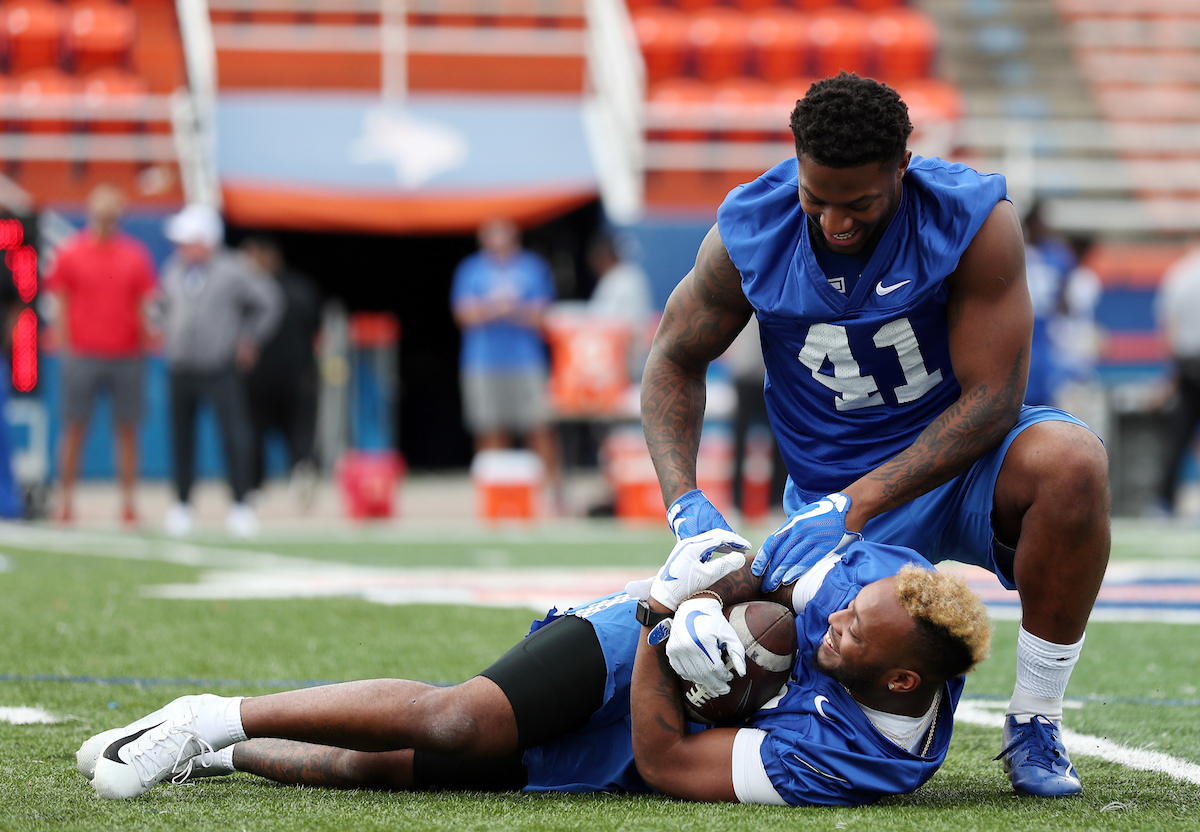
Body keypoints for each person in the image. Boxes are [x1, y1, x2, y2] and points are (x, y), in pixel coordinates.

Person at [640, 73, 1110, 798]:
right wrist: (684, 506)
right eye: (814, 199)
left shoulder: (970, 217)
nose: (833, 224)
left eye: (857, 203)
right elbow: (673, 359)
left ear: (902, 167)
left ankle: (1036, 719)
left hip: (960, 465)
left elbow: (992, 403)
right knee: (786, 657)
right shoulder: (751, 228)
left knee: (1073, 463)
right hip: (831, 491)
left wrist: (854, 504)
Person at [77, 530, 991, 806]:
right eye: (843, 610)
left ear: (903, 681)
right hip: (628, 636)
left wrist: (669, 655)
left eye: (852, 637)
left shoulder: (871, 761)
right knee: (455, 721)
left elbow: (672, 768)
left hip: (657, 728)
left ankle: (221, 753)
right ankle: (209, 716)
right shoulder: (869, 586)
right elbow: (754, 568)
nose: (832, 623)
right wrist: (678, 609)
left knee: (387, 773)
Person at [155, 204, 282, 538]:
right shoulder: (173, 270)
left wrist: (249, 340)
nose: (180, 246)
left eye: (188, 239)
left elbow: (269, 301)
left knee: (232, 436)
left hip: (218, 366)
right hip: (181, 366)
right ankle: (183, 504)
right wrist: (165, 331)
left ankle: (240, 504)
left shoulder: (233, 270)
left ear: (206, 240)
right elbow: (162, 308)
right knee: (181, 438)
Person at [45, 184, 157, 526]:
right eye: (101, 215)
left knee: (127, 431)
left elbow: (143, 305)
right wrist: (66, 345)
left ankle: (128, 504)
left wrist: (145, 341)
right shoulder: (71, 254)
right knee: (74, 429)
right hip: (83, 354)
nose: (107, 221)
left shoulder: (134, 255)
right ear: (91, 216)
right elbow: (60, 303)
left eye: (112, 215)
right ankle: (65, 503)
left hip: (126, 354)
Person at [451, 218, 561, 501]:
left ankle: (550, 495)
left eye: (504, 234)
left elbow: (542, 315)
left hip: (526, 362)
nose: (498, 240)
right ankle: (492, 495)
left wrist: (501, 309)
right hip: (482, 363)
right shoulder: (470, 269)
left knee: (539, 427)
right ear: (483, 239)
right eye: (492, 234)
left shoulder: (532, 267)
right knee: (489, 429)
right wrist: (505, 308)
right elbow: (464, 315)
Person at [238, 235, 322, 505]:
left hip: (272, 375)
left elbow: (316, 332)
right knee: (283, 433)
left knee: (276, 432)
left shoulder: (260, 290)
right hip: (289, 375)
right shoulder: (302, 287)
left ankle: (263, 487)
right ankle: (290, 476)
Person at [1153, 240, 1200, 517]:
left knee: (1179, 435)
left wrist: (1172, 371)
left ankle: (1164, 501)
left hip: (1188, 362)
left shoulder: (1178, 274)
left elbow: (1168, 324)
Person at [586, 230, 654, 382]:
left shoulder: (622, 279)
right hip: (625, 356)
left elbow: (609, 322)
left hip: (626, 357)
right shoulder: (625, 276)